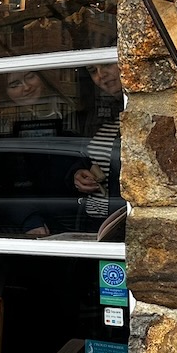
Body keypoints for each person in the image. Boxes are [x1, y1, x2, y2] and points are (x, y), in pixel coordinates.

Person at [72, 62, 124, 229]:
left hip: (122, 222)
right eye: (93, 71)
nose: (101, 75)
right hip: (95, 221)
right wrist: (78, 174)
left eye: (107, 64)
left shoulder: (139, 112)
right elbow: (86, 159)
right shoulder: (98, 118)